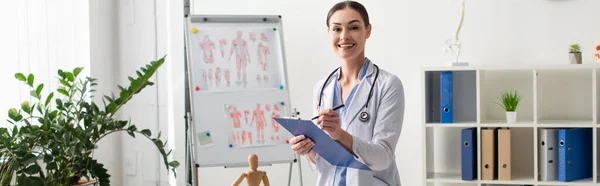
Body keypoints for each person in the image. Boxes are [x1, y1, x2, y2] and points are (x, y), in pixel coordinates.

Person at [289, 1, 405, 186]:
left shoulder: (388, 85)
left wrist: (338, 134)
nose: (344, 36)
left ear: (368, 31)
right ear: (328, 32)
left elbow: (383, 157)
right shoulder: (322, 88)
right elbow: (325, 162)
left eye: (353, 27)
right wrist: (308, 150)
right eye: (337, 29)